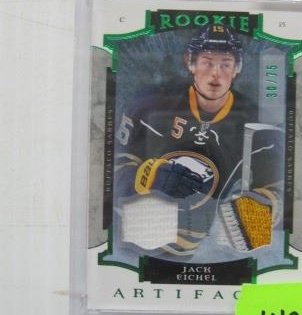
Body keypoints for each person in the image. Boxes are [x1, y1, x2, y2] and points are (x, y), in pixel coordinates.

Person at [114, 24, 281, 257]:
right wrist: (148, 176)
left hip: (202, 249)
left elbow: (279, 190)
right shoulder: (149, 104)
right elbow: (113, 171)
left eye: (225, 64)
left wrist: (261, 209)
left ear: (236, 69)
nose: (215, 73)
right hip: (134, 235)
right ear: (191, 63)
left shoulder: (258, 124)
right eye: (207, 63)